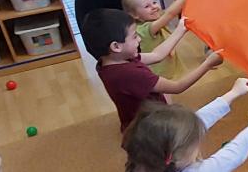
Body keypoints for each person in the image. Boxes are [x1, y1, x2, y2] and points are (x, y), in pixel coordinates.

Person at [82, 7, 223, 131]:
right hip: (149, 127)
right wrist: (207, 65)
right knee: (188, 125)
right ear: (116, 46)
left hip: (139, 116)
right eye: (134, 36)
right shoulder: (129, 74)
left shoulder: (111, 61)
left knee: (165, 95)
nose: (139, 40)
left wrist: (181, 29)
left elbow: (157, 55)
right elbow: (177, 87)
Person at [122, 0, 187, 79]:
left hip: (166, 66)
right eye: (147, 6)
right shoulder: (143, 30)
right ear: (134, 15)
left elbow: (168, 13)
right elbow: (170, 14)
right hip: (159, 73)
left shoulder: (153, 19)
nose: (154, 7)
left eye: (154, 2)